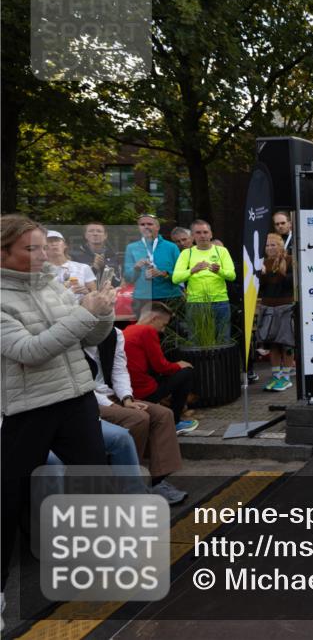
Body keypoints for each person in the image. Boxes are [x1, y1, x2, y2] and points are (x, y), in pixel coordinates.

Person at [1, 214, 117, 596]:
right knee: (10, 497)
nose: (43, 254)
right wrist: (86, 312)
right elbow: (29, 351)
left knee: (94, 480)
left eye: (43, 246)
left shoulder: (51, 282)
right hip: (29, 407)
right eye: (31, 248)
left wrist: (103, 310)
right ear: (3, 253)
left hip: (76, 397)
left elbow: (88, 337)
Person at [86, 327, 187, 504]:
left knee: (163, 415)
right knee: (138, 418)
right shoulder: (74, 336)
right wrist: (113, 405)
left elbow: (119, 371)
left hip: (111, 395)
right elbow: (82, 385)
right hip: (87, 400)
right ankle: (132, 481)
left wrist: (127, 398)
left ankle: (157, 481)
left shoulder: (114, 333)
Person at [123, 301, 198, 434]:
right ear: (154, 318)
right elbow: (161, 367)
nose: (163, 330)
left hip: (129, 390)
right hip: (144, 392)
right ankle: (174, 422)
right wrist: (179, 365)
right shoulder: (147, 331)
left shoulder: (128, 330)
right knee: (186, 372)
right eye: (163, 324)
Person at [171, 220, 236, 342]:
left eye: (205, 232)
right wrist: (192, 270)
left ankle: (221, 356)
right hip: (196, 302)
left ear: (211, 234)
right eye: (198, 232)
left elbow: (232, 276)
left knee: (222, 339)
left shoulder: (222, 251)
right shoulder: (186, 253)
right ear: (192, 236)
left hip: (220, 301)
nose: (202, 235)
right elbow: (175, 278)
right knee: (196, 340)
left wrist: (219, 271)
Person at [257, 233, 297, 391]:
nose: (270, 248)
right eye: (267, 245)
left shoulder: (290, 260)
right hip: (267, 307)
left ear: (281, 245)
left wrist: (276, 271)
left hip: (285, 307)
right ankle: (276, 376)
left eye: (273, 245)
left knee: (286, 344)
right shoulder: (261, 263)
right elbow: (260, 288)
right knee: (273, 344)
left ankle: (286, 378)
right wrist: (261, 275)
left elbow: (290, 282)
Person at [123, 213, 183, 318]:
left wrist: (164, 274)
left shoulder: (171, 247)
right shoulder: (131, 248)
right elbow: (128, 278)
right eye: (142, 225)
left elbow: (181, 275)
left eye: (149, 224)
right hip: (142, 298)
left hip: (169, 296)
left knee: (171, 328)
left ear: (157, 227)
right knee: (144, 328)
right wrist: (136, 268)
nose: (146, 227)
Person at [45, 230, 96, 301]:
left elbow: (94, 294)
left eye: (57, 240)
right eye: (49, 241)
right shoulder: (41, 272)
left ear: (65, 245)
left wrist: (87, 293)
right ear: (43, 247)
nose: (54, 244)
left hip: (81, 307)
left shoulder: (84, 267)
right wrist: (66, 292)